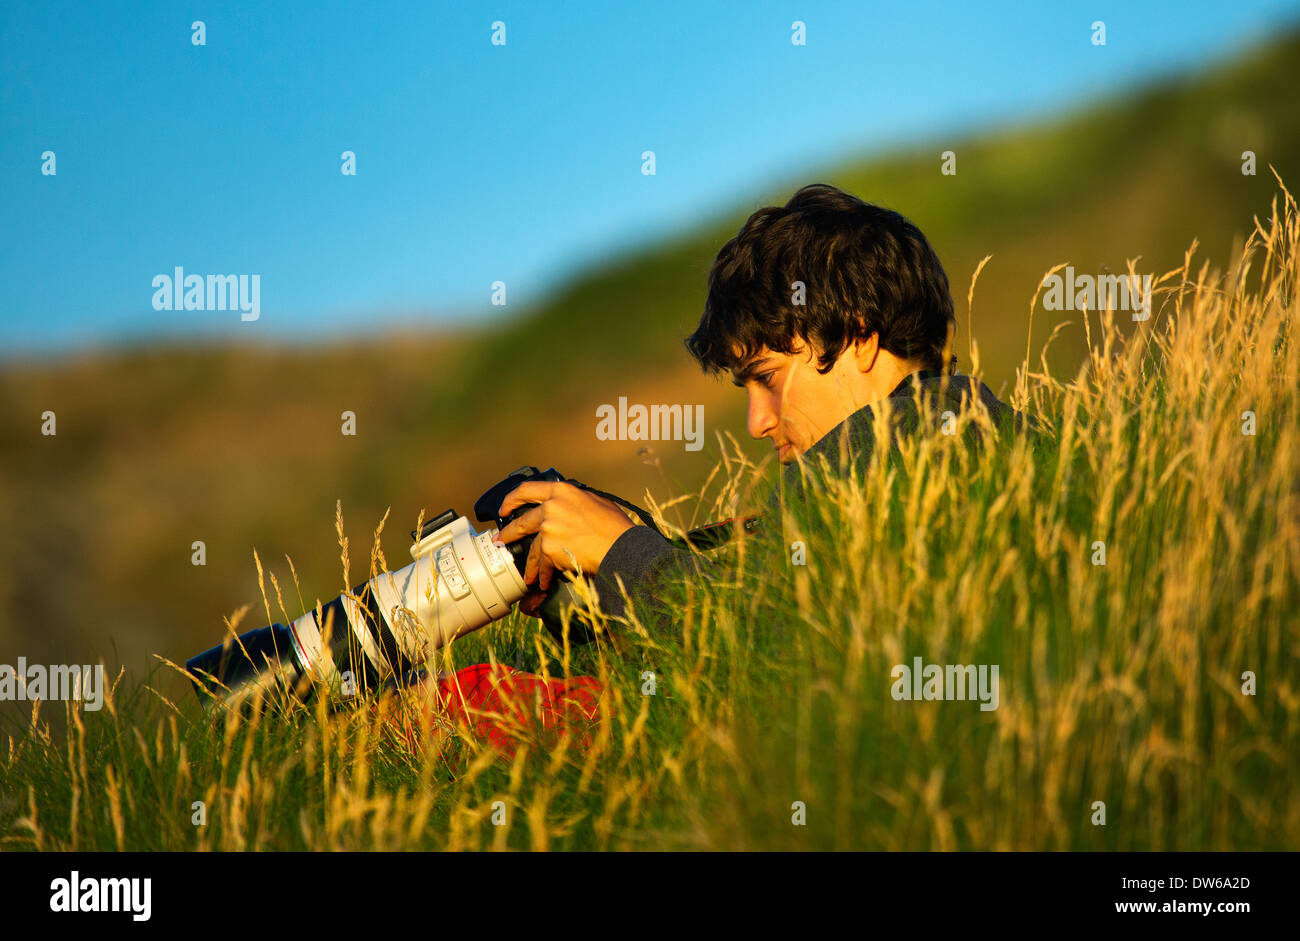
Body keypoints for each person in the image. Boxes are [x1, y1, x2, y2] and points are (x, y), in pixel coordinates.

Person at [431, 183, 1034, 752]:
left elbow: (763, 643)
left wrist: (620, 551)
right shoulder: (968, 436)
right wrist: (587, 604)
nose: (757, 423)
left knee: (449, 708)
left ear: (860, 338)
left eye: (768, 380)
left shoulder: (899, 443)